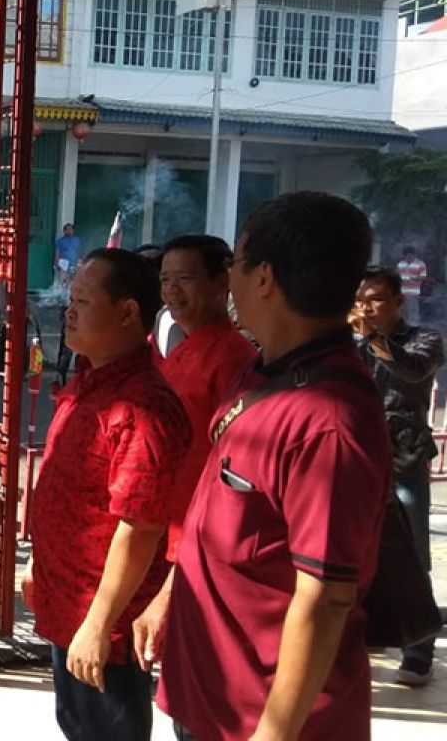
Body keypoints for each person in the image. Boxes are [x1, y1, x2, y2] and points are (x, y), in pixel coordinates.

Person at [157, 192, 391, 741]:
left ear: (264, 277)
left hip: (260, 717)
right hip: (211, 695)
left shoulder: (327, 421)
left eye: (235, 264)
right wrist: (172, 595)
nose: (231, 279)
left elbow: (327, 598)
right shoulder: (264, 373)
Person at [25, 248, 190, 741]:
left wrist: (100, 624)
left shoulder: (143, 405)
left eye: (82, 300)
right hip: (68, 600)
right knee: (76, 725)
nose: (68, 311)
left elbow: (140, 526)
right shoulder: (90, 382)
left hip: (104, 620)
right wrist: (40, 561)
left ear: (127, 312)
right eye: (69, 299)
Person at [130, 235, 256, 669]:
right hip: (167, 525)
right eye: (165, 280)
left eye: (185, 278)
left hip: (201, 534)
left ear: (223, 282)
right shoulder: (180, 349)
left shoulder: (233, 358)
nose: (171, 291)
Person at [352, 265, 444, 686]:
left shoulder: (424, 339)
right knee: (351, 553)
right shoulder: (349, 343)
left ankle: (418, 647)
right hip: (356, 459)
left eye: (375, 299)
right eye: (361, 299)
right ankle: (365, 636)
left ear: (398, 302)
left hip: (403, 459)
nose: (367, 307)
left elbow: (412, 369)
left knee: (414, 552)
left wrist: (372, 338)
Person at [397, 246, 428, 325]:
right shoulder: (400, 264)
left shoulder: (421, 264)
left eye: (410, 256)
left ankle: (414, 329)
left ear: (414, 255)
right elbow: (396, 275)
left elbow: (423, 277)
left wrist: (412, 278)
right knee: (402, 311)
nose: (408, 258)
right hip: (402, 291)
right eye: (406, 256)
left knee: (412, 312)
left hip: (413, 292)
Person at [55, 222, 81, 291]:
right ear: (64, 231)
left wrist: (79, 262)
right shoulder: (60, 241)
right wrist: (56, 263)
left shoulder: (77, 240)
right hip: (63, 263)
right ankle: (62, 296)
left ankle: (69, 296)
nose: (69, 231)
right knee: (63, 281)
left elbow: (78, 251)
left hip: (73, 263)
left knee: (72, 281)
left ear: (73, 230)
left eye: (70, 229)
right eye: (67, 229)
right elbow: (57, 252)